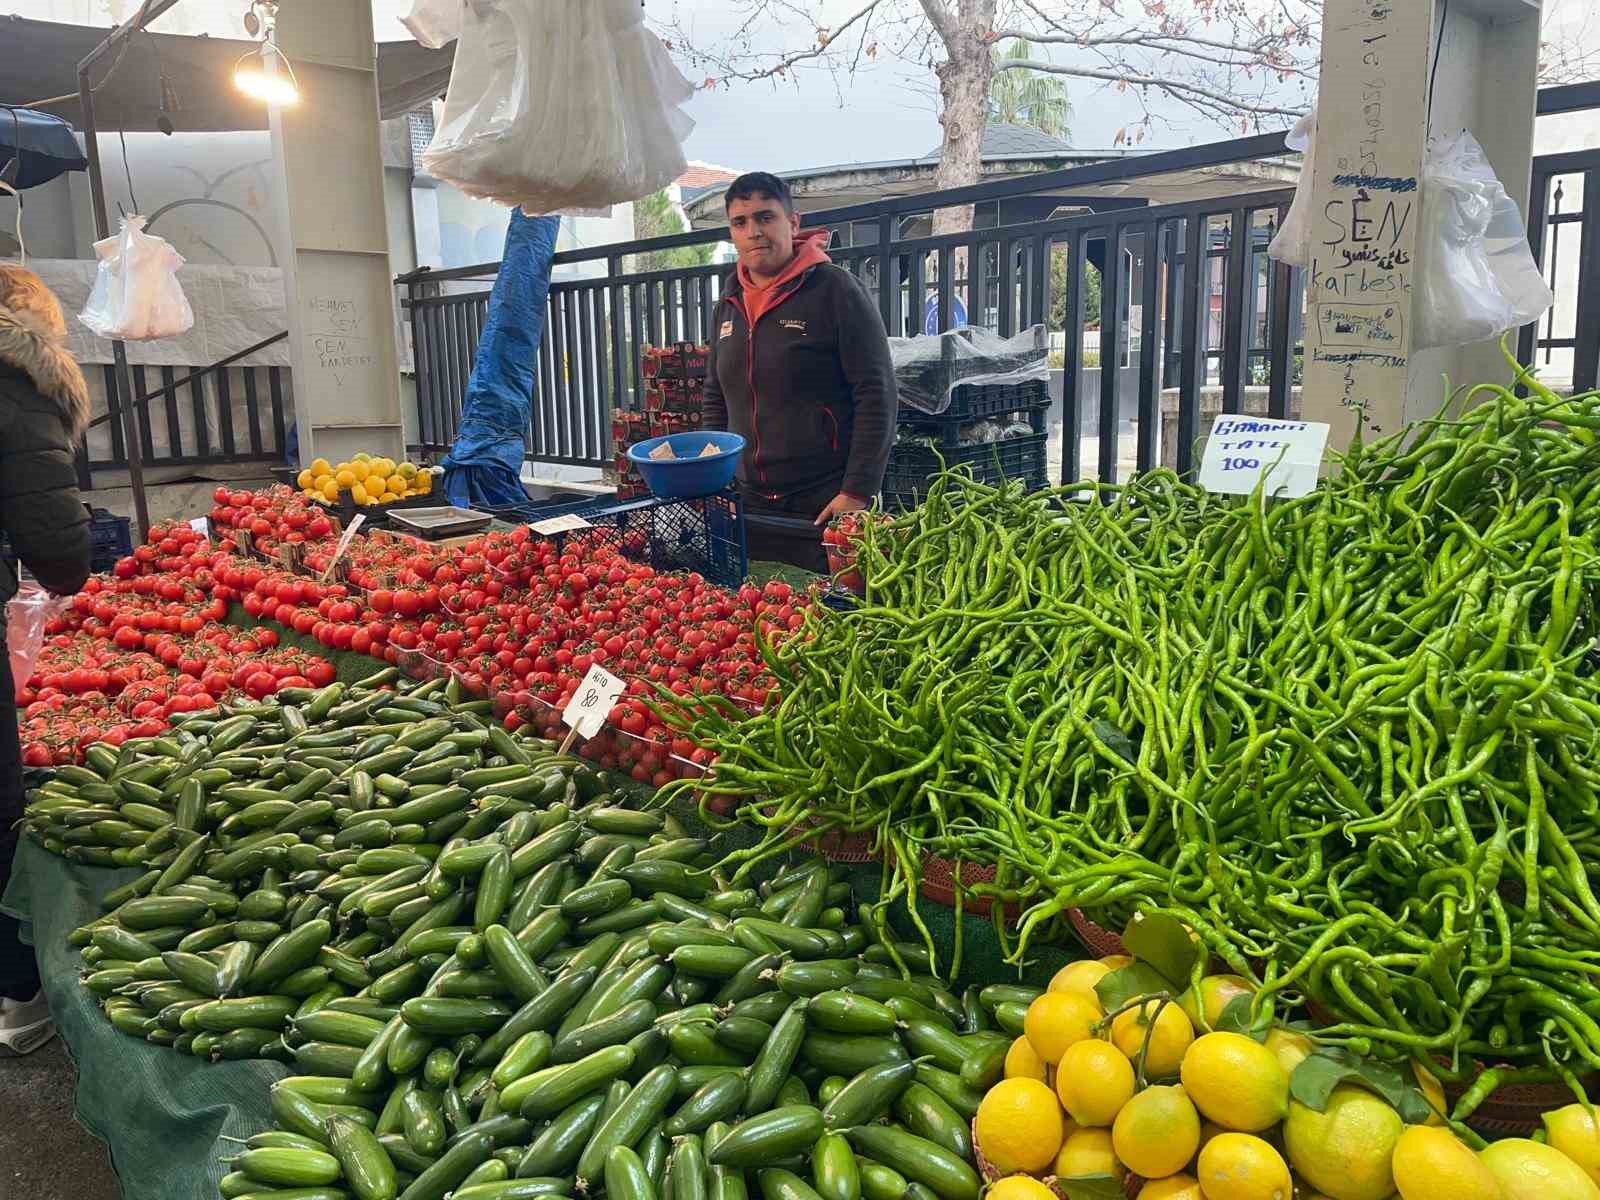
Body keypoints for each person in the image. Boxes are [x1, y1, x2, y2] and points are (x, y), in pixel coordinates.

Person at [703, 172, 896, 571]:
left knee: (834, 620)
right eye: (740, 222)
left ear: (793, 223)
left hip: (826, 501)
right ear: (731, 233)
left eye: (765, 217)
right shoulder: (727, 304)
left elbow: (876, 393)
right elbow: (714, 396)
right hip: (750, 503)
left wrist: (857, 491)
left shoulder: (836, 290)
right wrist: (716, 477)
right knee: (758, 617)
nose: (754, 231)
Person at [0, 264, 92, 1055]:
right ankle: (18, 993)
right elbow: (53, 532)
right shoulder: (18, 381)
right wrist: (69, 572)